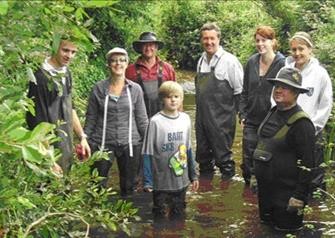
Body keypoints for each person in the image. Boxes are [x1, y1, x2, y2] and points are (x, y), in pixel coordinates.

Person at [254, 67, 315, 231]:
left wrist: (299, 197)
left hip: (287, 198)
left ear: (296, 93)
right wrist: (255, 175)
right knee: (266, 231)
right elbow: (262, 145)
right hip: (266, 194)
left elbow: (309, 164)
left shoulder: (302, 124)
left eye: (285, 87)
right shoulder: (272, 112)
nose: (279, 90)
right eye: (277, 86)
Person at [84, 47, 148, 196]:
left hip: (130, 143)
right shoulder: (98, 89)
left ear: (127, 63)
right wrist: (84, 139)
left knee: (129, 187)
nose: (117, 64)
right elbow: (91, 118)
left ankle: (125, 217)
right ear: (108, 64)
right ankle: (96, 216)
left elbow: (142, 120)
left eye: (121, 60)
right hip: (102, 143)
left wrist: (150, 142)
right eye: (113, 61)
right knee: (96, 186)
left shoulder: (135, 89)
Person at [26, 37, 91, 173]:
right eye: (65, 50)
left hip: (65, 146)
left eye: (73, 52)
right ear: (55, 48)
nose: (69, 56)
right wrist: (49, 161)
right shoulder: (40, 78)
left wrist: (82, 137)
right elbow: (37, 123)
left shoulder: (66, 74)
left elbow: (70, 108)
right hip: (47, 151)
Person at [126, 31, 176, 191]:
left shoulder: (168, 69)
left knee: (165, 156)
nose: (148, 48)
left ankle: (165, 185)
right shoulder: (130, 70)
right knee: (140, 158)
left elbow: (176, 96)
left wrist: (177, 120)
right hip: (137, 122)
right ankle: (139, 189)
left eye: (151, 45)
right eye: (145, 45)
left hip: (164, 120)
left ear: (156, 47)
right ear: (140, 48)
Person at [142, 81, 199, 220]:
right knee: (159, 216)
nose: (173, 100)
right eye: (168, 97)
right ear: (162, 99)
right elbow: (147, 152)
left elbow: (188, 148)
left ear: (181, 99)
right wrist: (148, 181)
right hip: (161, 181)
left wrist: (193, 175)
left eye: (176, 96)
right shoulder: (155, 122)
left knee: (179, 217)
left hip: (181, 180)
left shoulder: (185, 119)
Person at [285, 31, 333, 193]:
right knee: (290, 176)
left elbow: (325, 105)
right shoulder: (286, 71)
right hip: (288, 132)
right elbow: (275, 97)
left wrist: (312, 128)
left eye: (301, 49)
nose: (297, 53)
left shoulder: (320, 74)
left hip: (311, 133)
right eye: (294, 50)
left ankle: (316, 214)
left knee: (313, 179)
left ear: (310, 49)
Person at [195, 22, 243, 180]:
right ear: (201, 40)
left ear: (218, 39)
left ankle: (226, 192)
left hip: (222, 120)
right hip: (201, 120)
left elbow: (239, 91)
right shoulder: (201, 60)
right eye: (205, 39)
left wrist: (240, 115)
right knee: (203, 158)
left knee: (224, 160)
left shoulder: (230, 61)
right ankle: (206, 193)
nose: (209, 42)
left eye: (212, 38)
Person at [239, 26, 285, 185]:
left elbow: (286, 94)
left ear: (273, 42)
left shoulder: (282, 64)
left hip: (272, 120)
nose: (260, 44)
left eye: (264, 40)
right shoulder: (251, 62)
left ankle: (265, 193)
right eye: (257, 41)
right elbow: (244, 92)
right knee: (247, 160)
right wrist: (242, 115)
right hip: (251, 120)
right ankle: (248, 196)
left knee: (268, 158)